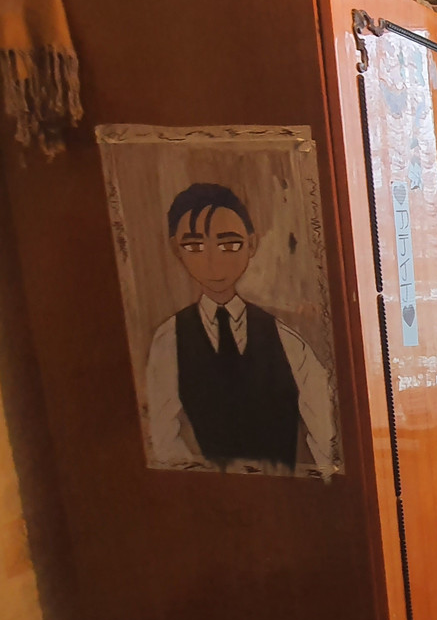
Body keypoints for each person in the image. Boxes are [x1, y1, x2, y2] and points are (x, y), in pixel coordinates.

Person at [142, 182, 334, 473]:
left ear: (251, 244)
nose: (213, 262)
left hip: (286, 490)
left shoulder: (285, 338)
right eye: (194, 246)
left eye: (229, 245)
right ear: (175, 249)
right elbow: (162, 438)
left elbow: (326, 431)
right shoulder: (169, 340)